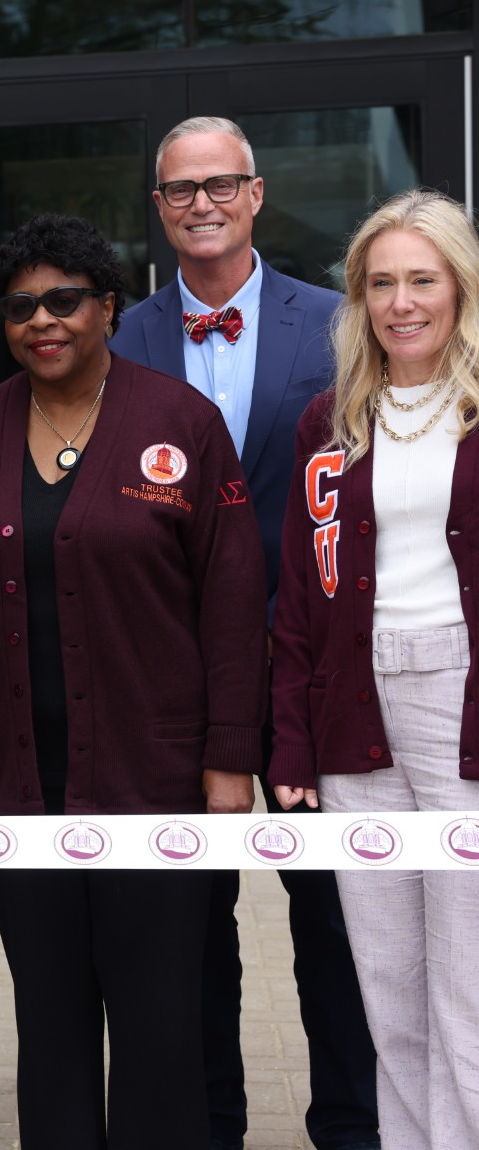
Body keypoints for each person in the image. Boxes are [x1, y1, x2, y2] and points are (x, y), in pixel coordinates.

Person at [0, 213, 266, 1150]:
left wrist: (232, 757)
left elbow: (231, 602)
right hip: (21, 787)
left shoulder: (181, 423)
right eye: (20, 306)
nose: (41, 321)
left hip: (157, 782)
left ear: (108, 307)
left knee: (160, 1019)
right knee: (50, 1014)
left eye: (64, 299)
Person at [113, 116, 377, 1150]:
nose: (203, 203)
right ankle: (206, 1126)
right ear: (160, 207)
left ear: (257, 193)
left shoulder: (341, 322)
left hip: (309, 675)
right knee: (187, 934)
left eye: (221, 184)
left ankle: (353, 1125)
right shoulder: (120, 335)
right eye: (181, 189)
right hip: (173, 685)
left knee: (336, 923)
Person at [270, 188, 479, 1149]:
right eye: (381, 283)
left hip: (459, 703)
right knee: (387, 992)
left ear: (459, 289)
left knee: (468, 994)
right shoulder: (331, 420)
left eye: (422, 281)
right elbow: (301, 604)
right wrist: (292, 743)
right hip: (354, 714)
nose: (402, 302)